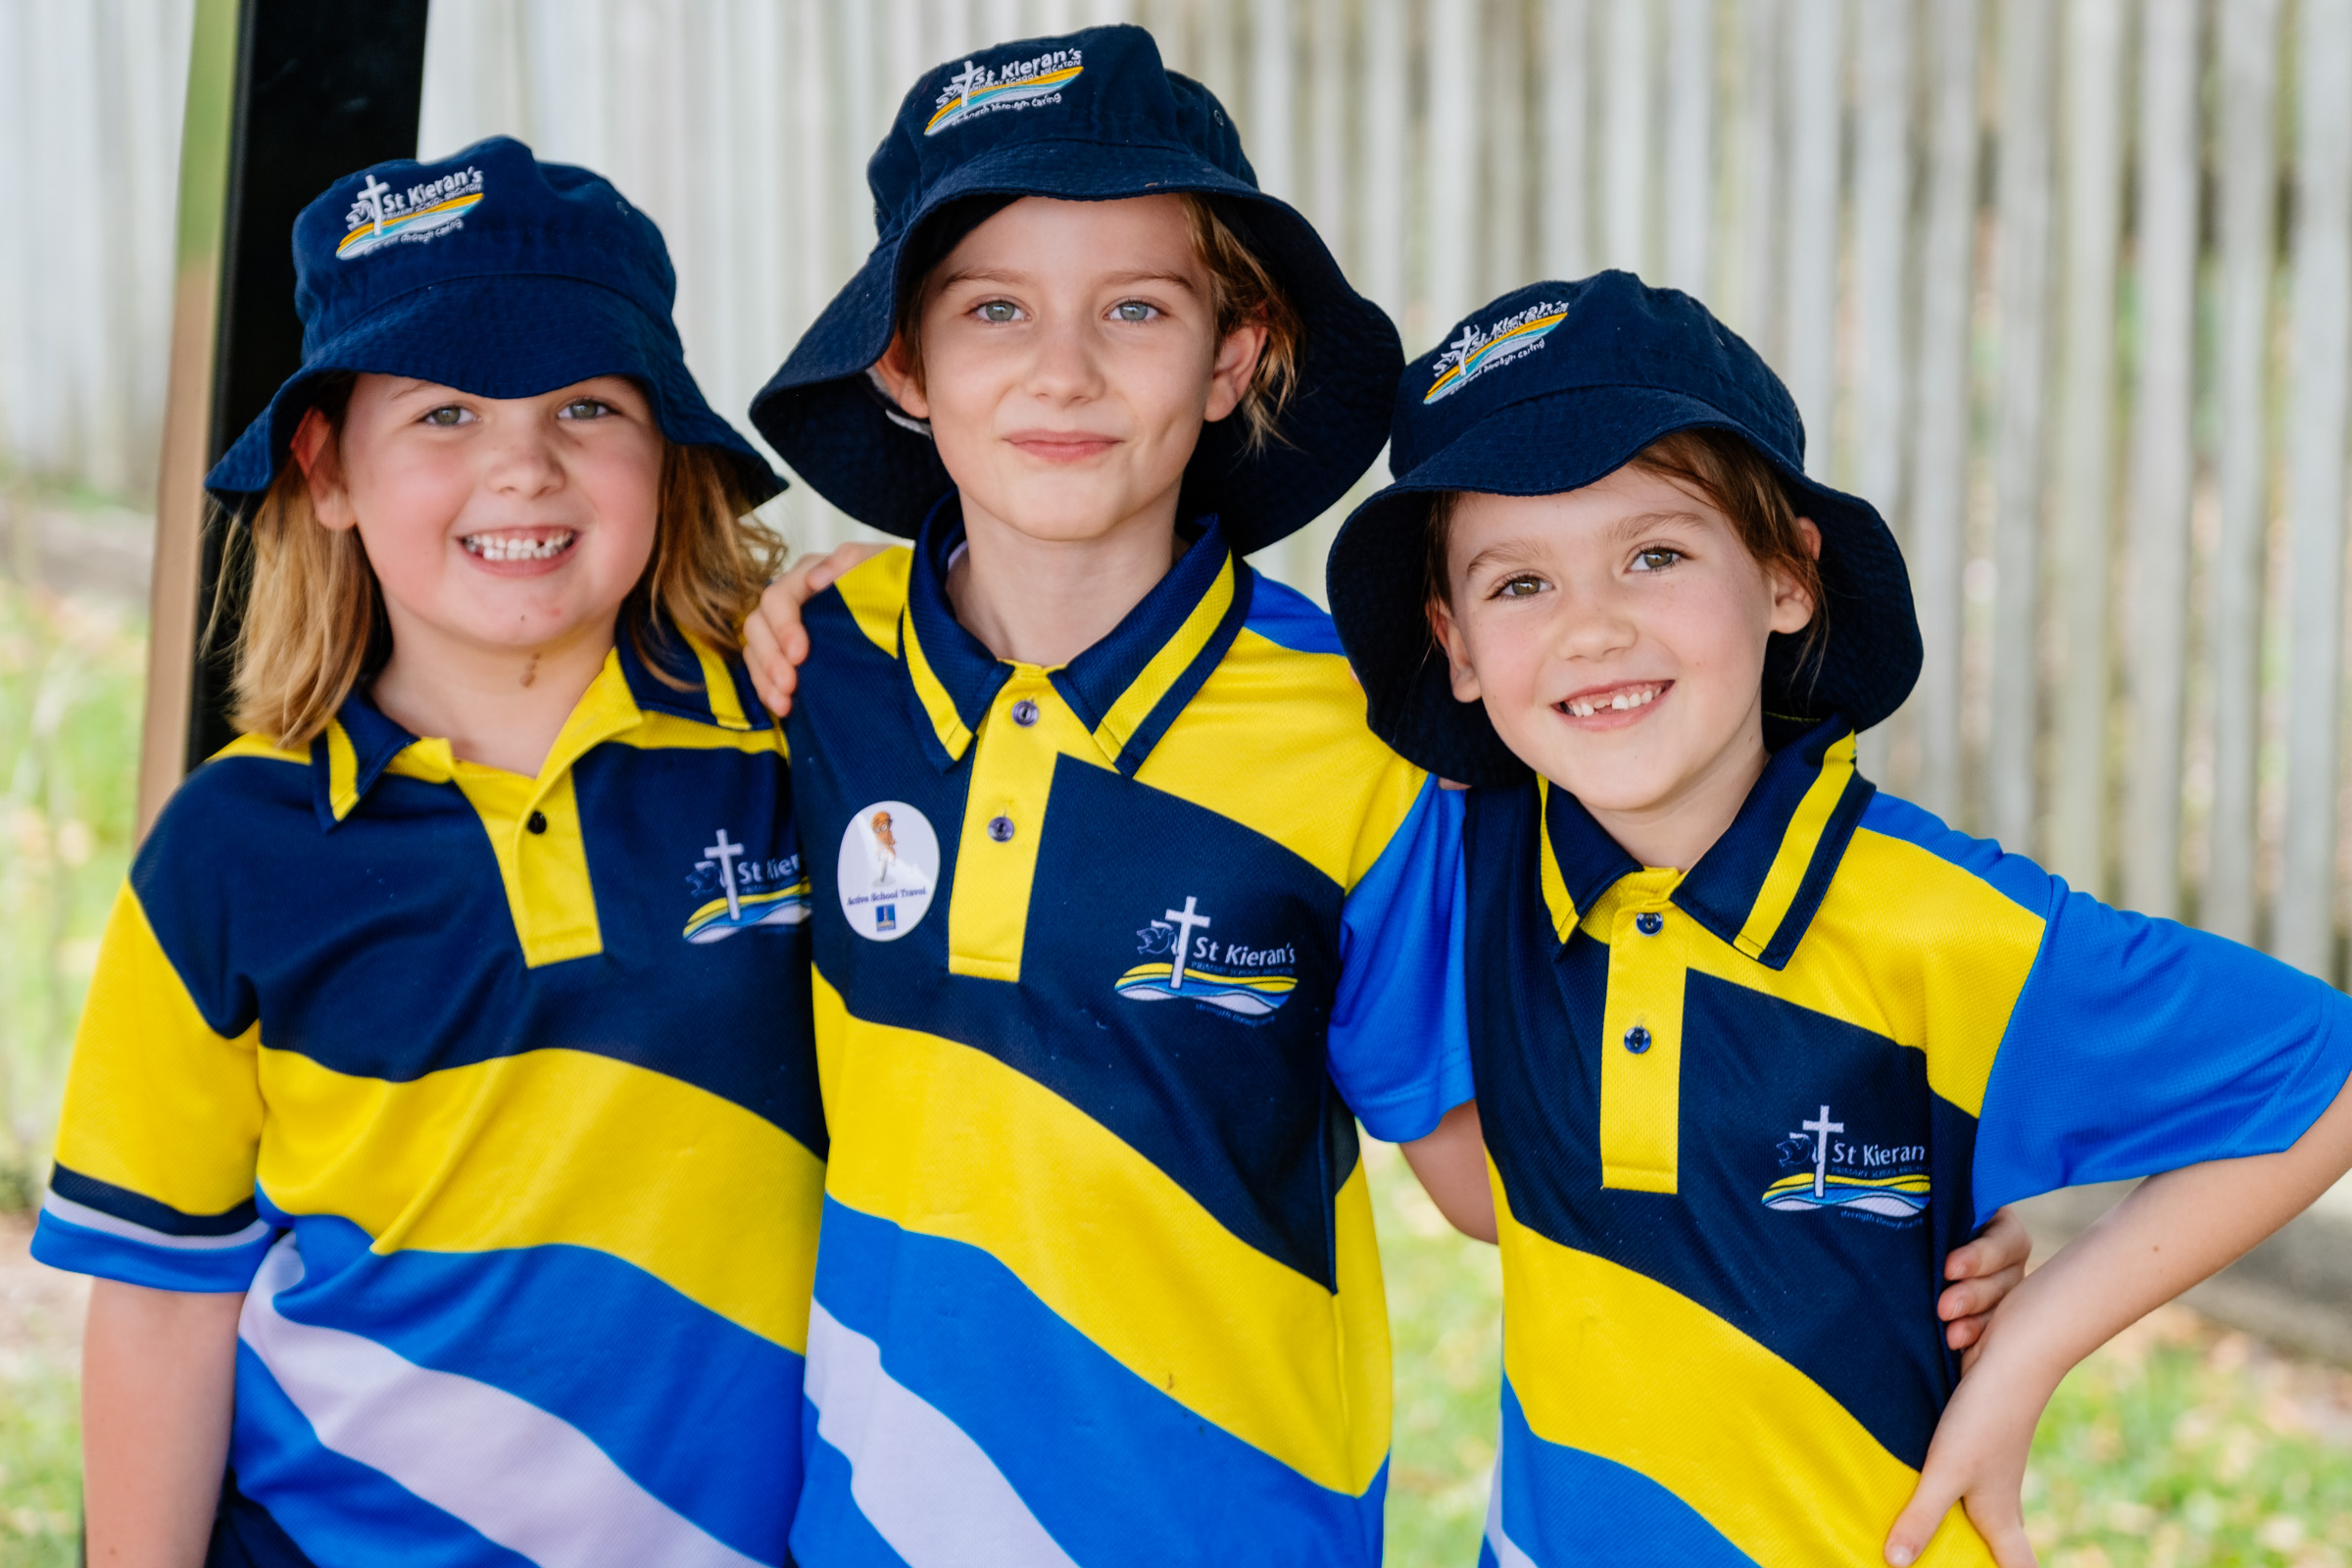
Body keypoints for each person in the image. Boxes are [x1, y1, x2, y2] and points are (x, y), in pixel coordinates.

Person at [740, 27, 2031, 1563]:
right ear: (904, 364)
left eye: (1136, 308)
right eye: (994, 309)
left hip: (1238, 1524)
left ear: (1237, 354)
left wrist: (1895, 1187)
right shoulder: (815, 665)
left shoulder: (1362, 736)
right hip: (869, 1522)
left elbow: (1500, 1171)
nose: (1064, 369)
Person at [1321, 271, 2352, 1568]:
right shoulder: (1468, 868)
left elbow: (2326, 1070)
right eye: (1519, 584)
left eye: (1654, 553)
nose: (1593, 627)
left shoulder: (1941, 920)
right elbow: (1495, 1195)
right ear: (1455, 644)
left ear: (1786, 577)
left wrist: (2028, 1347)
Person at [32, 139, 824, 1568]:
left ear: (667, 454)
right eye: (446, 411)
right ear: (326, 471)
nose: (523, 464)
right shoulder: (232, 847)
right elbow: (159, 1293)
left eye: (588, 404)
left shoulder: (794, 752)